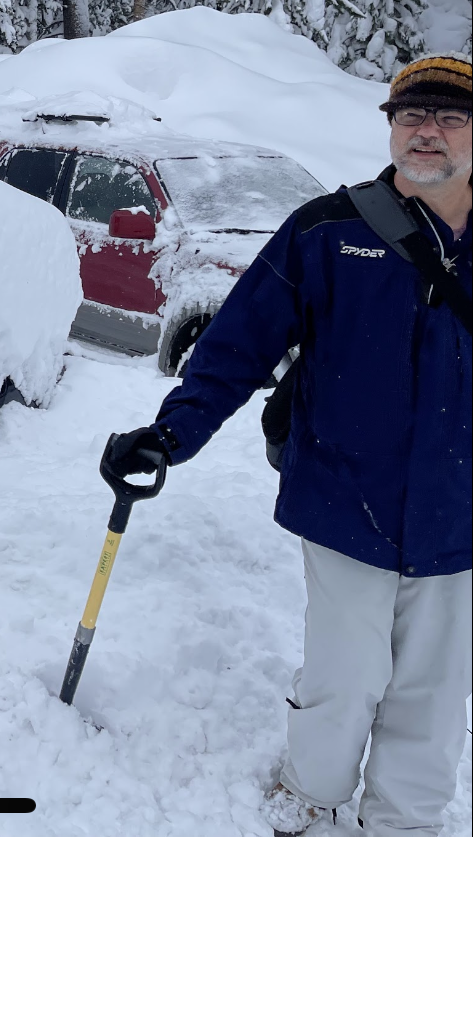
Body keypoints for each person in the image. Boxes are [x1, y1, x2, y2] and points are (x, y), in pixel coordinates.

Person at [104, 51, 472, 836]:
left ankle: (407, 821)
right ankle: (312, 786)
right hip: (346, 498)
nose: (428, 133)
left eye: (450, 118)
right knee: (348, 673)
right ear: (391, 130)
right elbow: (237, 345)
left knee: (435, 688)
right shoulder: (328, 232)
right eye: (412, 116)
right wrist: (171, 434)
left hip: (461, 513)